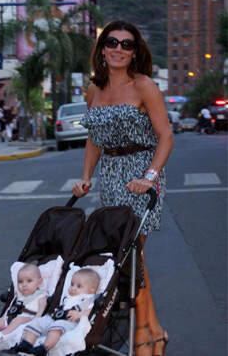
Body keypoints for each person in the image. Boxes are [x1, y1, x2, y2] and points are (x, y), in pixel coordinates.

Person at [71, 20, 172, 356]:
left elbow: (166, 136)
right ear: (101, 50)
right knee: (124, 258)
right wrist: (86, 175)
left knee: (131, 254)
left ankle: (149, 337)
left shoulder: (144, 86)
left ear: (134, 52)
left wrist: (150, 176)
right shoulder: (94, 90)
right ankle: (151, 333)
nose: (117, 49)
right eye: (111, 42)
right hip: (111, 174)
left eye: (126, 45)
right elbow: (94, 139)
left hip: (140, 173)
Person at [14, 268, 100, 356]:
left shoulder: (89, 299)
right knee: (37, 322)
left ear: (91, 290)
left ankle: (44, 347)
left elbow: (90, 311)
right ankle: (26, 344)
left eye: (79, 286)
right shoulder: (68, 297)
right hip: (55, 318)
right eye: (72, 284)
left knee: (56, 328)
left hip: (70, 322)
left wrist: (79, 314)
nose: (73, 288)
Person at [0, 264, 47, 342]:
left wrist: (36, 320)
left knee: (19, 320)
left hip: (28, 318)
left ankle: (3, 335)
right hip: (12, 317)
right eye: (20, 282)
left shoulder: (41, 295)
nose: (24, 285)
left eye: (29, 281)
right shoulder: (19, 296)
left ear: (39, 282)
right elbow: (10, 308)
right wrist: (3, 317)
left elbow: (42, 307)